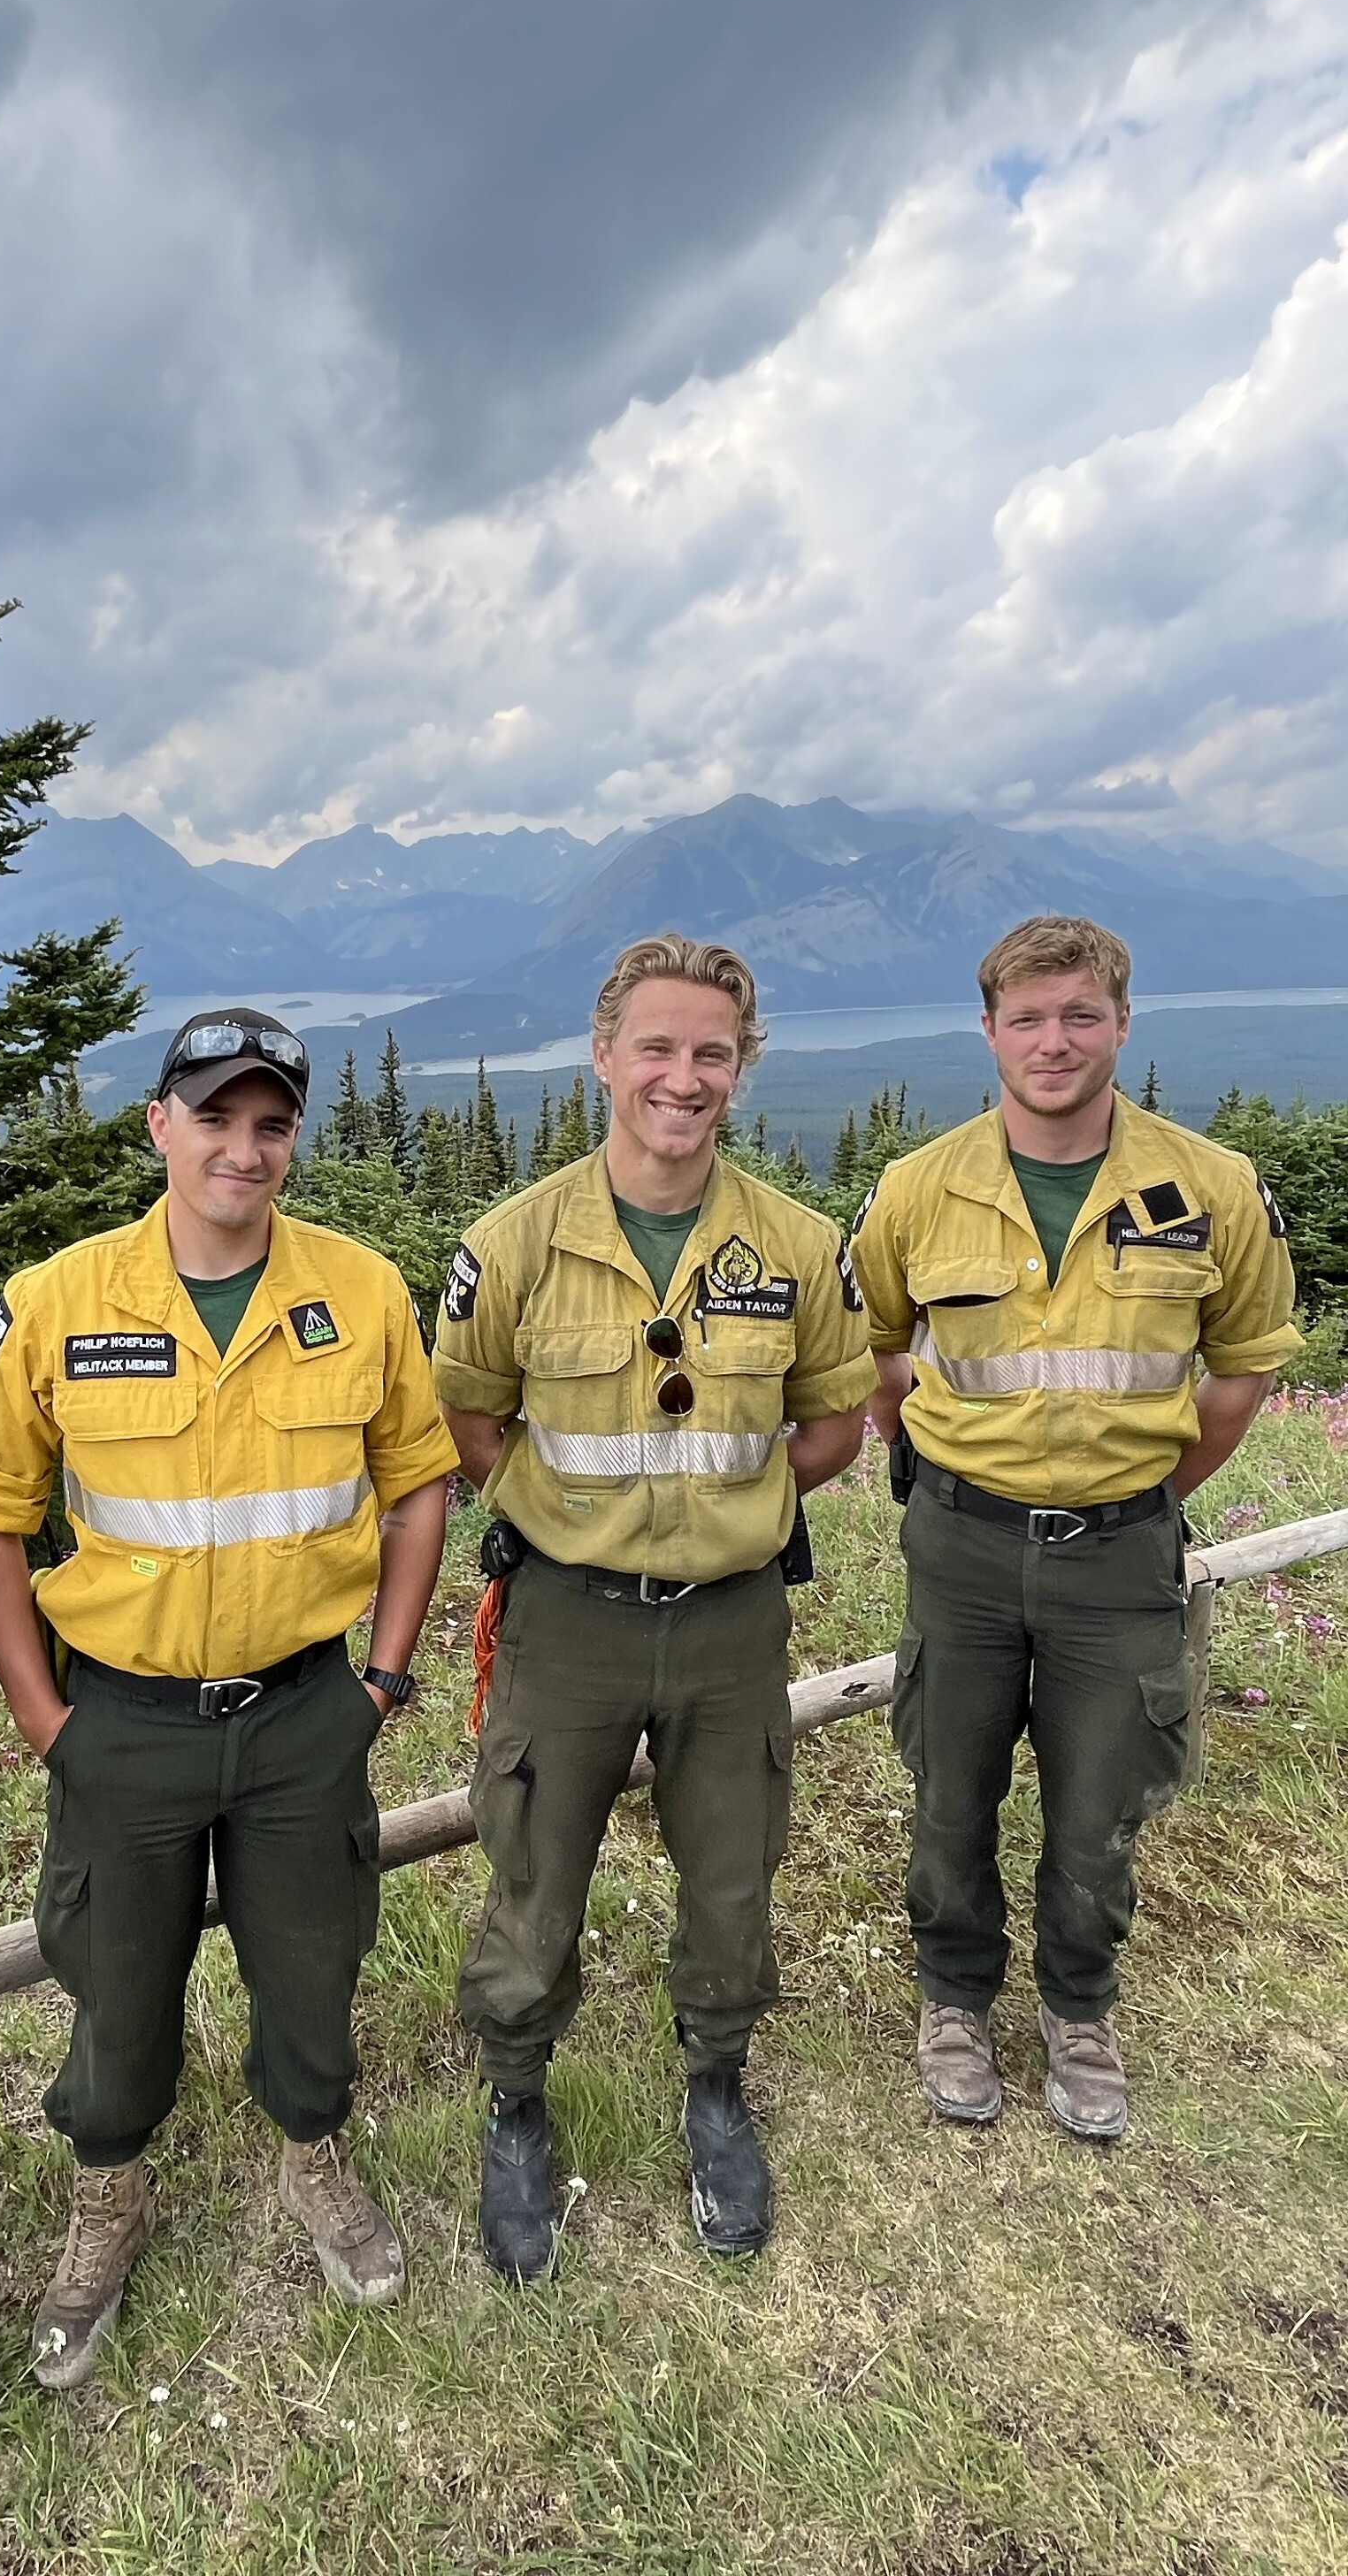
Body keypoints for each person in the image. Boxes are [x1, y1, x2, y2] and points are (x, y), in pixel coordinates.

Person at [0, 1009, 456, 2390]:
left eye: (271, 1122)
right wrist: (45, 1716)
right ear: (158, 1124)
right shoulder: (55, 1302)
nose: (245, 1147)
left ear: (294, 1136)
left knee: (313, 1957)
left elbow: (419, 1481)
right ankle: (109, 2190)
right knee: (114, 1975)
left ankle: (315, 2154)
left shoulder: (361, 1291)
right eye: (215, 1118)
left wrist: (385, 1677)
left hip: (304, 1715)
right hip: (125, 1719)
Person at [432, 936, 872, 2276]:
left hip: (734, 1622)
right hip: (567, 1621)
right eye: (658, 1048)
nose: (683, 1079)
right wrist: (580, 1525)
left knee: (734, 1879)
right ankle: (517, 2101)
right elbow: (471, 1418)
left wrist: (725, 1518)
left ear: (742, 1070)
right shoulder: (512, 1244)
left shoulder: (796, 1246)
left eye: (713, 1054)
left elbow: (836, 1421)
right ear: (605, 1053)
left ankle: (717, 2086)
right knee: (534, 1873)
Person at [846, 916, 1300, 2142]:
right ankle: (954, 1998)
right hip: (963, 1546)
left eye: (1080, 1016)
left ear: (1122, 1025)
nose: (1055, 1042)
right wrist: (943, 1456)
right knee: (951, 1789)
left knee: (1101, 1800)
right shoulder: (917, 1191)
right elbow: (879, 1348)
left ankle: (1079, 2009)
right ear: (989, 1030)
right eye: (1029, 1018)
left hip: (1122, 1554)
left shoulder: (1210, 1189)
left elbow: (1242, 1369)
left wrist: (1145, 1486)